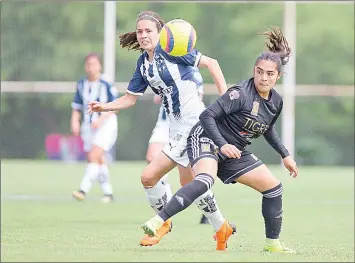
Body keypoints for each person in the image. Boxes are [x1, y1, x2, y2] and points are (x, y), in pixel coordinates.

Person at [141, 27, 299, 253]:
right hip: (204, 137)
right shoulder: (240, 94)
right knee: (205, 180)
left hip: (233, 150)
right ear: (254, 70)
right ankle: (159, 221)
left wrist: (286, 156)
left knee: (273, 188)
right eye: (260, 72)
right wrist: (222, 144)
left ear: (278, 76)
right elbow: (207, 116)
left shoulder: (276, 102)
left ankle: (272, 244)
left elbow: (268, 128)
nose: (263, 78)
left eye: (270, 74)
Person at [88, 11, 236, 250]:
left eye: (149, 31)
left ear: (161, 33)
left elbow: (212, 63)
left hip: (197, 126)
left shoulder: (174, 51)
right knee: (180, 183)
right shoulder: (143, 65)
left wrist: (225, 101)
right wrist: (104, 107)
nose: (144, 35)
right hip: (176, 130)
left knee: (168, 179)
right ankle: (221, 227)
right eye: (140, 31)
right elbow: (129, 99)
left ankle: (163, 223)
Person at [146, 71, 210, 225]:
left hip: (183, 125)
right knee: (151, 158)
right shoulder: (162, 69)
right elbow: (157, 97)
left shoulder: (192, 73)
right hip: (164, 124)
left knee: (188, 177)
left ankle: (208, 209)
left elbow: (197, 99)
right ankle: (167, 207)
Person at [71, 53, 118, 204]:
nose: (92, 68)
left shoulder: (106, 83)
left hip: (106, 124)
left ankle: (82, 190)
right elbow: (77, 107)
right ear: (86, 67)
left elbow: (116, 106)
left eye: (95, 64)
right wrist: (75, 121)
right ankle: (108, 193)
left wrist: (101, 119)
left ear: (100, 66)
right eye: (89, 64)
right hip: (89, 126)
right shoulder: (81, 84)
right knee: (98, 159)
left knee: (93, 155)